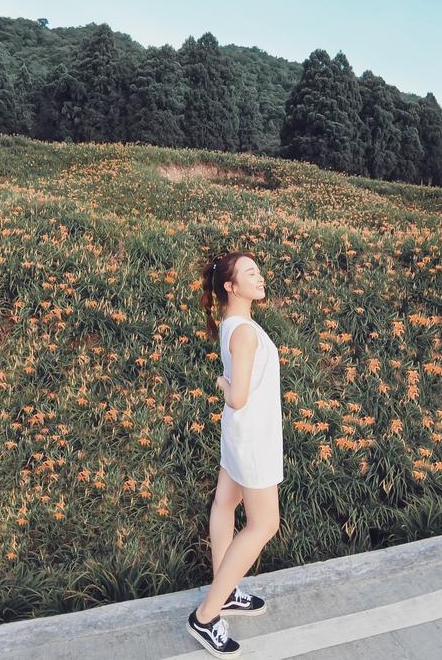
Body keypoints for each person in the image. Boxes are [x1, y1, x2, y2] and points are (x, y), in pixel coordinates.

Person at [186, 251, 284, 657]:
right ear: (231, 287)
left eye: (258, 271)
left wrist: (230, 387)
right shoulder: (243, 331)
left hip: (240, 434)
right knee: (264, 524)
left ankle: (224, 593)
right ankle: (205, 616)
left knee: (225, 503)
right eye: (250, 273)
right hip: (253, 438)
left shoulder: (232, 324)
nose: (260, 278)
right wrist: (224, 385)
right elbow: (238, 396)